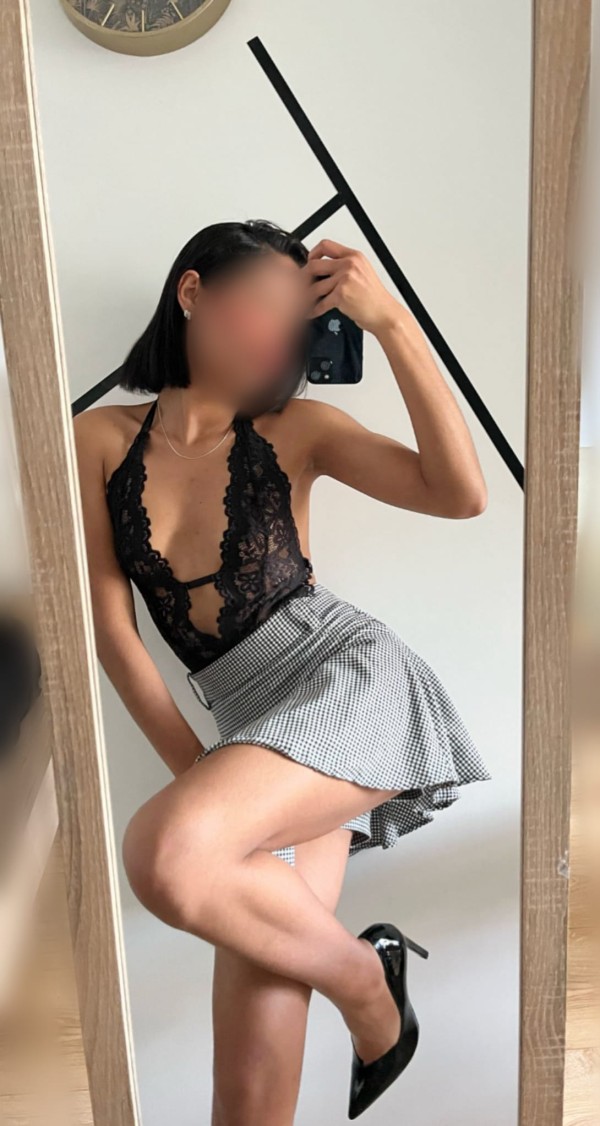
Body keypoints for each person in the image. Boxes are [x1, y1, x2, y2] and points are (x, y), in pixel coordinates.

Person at [73, 219, 492, 1122]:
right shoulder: (98, 441)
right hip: (249, 730)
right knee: (249, 1085)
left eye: (294, 319)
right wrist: (202, 772)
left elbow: (461, 494)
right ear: (193, 292)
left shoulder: (298, 429)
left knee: (165, 853)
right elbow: (112, 632)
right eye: (262, 304)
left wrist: (391, 325)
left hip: (346, 682)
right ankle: (368, 971)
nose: (278, 335)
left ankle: (369, 992)